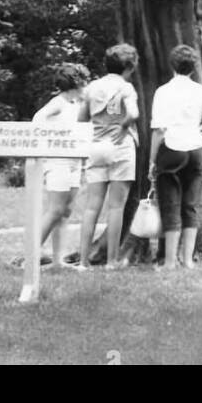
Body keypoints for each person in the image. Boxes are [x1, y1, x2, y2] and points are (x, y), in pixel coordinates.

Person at [148, 44, 202, 269]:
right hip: (196, 149)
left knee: (170, 204)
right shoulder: (200, 91)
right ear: (194, 68)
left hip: (171, 148)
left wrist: (152, 160)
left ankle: (169, 262)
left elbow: (158, 130)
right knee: (190, 205)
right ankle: (188, 260)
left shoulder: (163, 92)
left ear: (172, 66)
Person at [75, 43, 139, 269]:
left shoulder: (92, 87)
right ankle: (111, 261)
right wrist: (122, 128)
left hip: (96, 146)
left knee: (92, 206)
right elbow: (133, 113)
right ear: (130, 67)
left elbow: (81, 119)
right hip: (120, 147)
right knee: (116, 207)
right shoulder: (126, 88)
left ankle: (83, 261)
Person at [24, 62, 90, 268]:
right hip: (58, 161)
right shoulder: (59, 102)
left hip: (74, 161)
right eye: (84, 81)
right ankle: (30, 258)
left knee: (66, 211)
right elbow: (38, 118)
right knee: (55, 210)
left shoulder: (76, 104)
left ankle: (58, 261)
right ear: (76, 83)